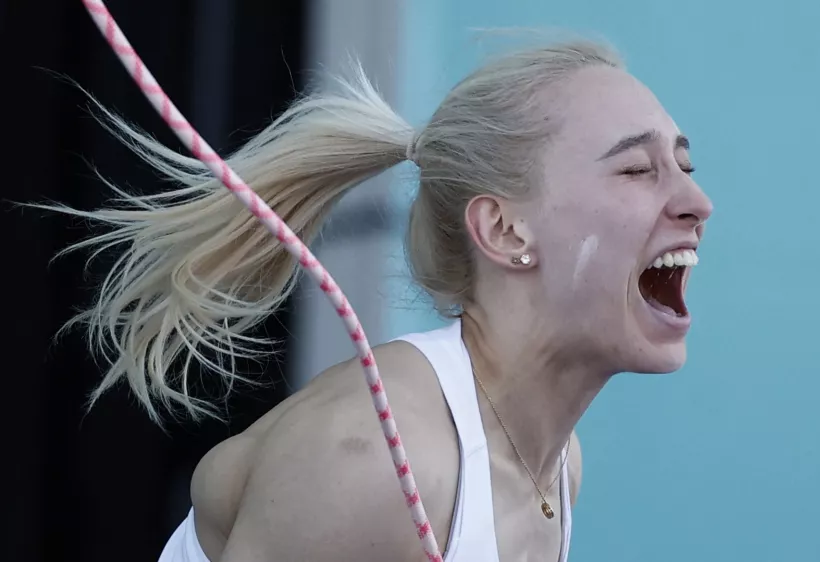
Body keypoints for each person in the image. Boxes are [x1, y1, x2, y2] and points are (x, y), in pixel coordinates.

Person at [49, 39, 712, 561]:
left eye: (684, 165)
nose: (696, 203)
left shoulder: (554, 464)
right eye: (636, 169)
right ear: (505, 231)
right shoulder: (374, 465)